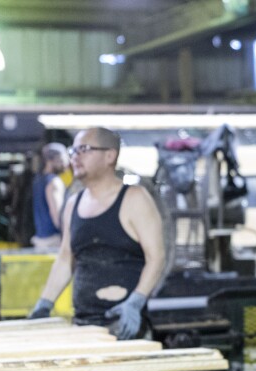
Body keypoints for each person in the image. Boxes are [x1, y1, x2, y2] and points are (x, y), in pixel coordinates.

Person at [27, 127, 166, 341]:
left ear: (110, 155)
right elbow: (65, 259)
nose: (75, 157)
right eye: (73, 151)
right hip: (84, 327)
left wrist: (136, 300)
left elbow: (156, 258)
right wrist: (45, 303)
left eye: (84, 149)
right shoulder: (73, 204)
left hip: (125, 327)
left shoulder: (135, 198)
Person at [30, 142, 69, 250]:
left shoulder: (38, 180)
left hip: (41, 239)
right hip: (53, 241)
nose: (66, 164)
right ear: (51, 160)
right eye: (62, 159)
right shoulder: (54, 182)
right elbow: (57, 214)